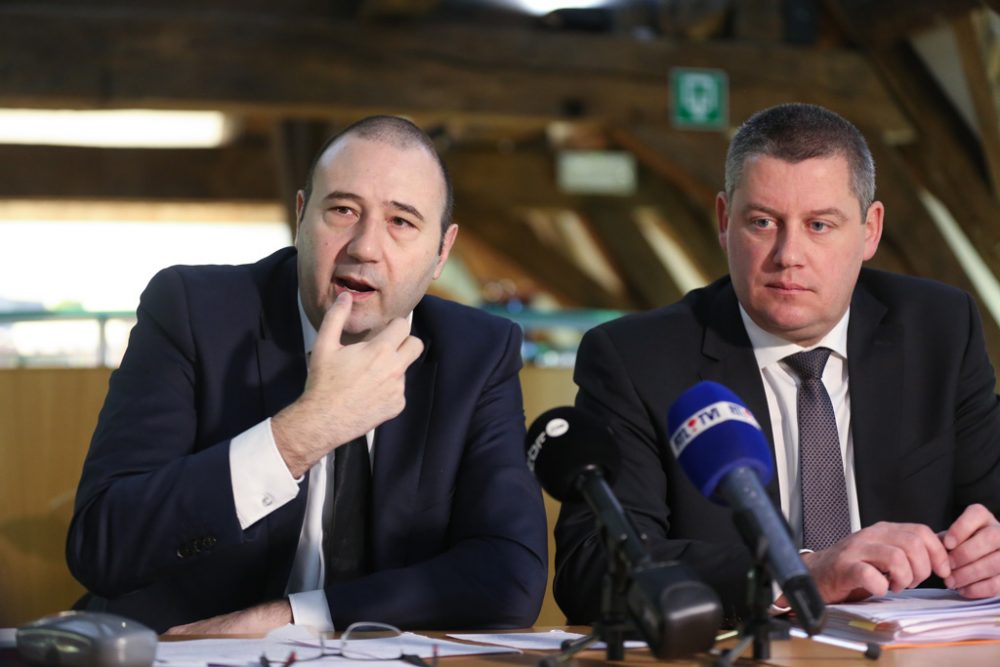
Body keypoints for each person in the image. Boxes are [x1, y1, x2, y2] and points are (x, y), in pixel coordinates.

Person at [66, 116, 548, 634]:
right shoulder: (192, 312)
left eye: (401, 222)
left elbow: (509, 579)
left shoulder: (477, 353)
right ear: (300, 217)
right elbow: (103, 544)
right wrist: (303, 431)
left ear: (442, 252)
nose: (365, 247)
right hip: (176, 651)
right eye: (343, 210)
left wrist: (296, 617)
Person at [554, 103, 1000, 624]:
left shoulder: (939, 328)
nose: (789, 254)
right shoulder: (637, 359)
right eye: (763, 222)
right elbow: (593, 568)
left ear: (870, 230)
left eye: (819, 225)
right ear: (725, 221)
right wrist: (800, 574)